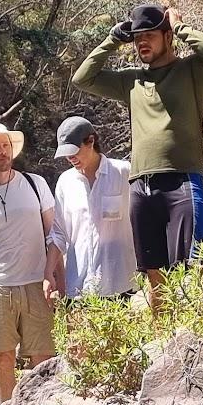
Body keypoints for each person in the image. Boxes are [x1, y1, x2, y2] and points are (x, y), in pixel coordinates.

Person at [70, 1, 203, 299]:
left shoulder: (191, 71)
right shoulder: (131, 80)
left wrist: (179, 26)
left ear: (167, 37)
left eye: (150, 35)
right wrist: (113, 38)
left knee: (201, 261)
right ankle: (166, 339)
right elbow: (82, 79)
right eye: (138, 37)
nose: (142, 41)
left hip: (182, 179)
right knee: (154, 273)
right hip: (141, 185)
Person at [0, 122, 64, 402]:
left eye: (6, 145)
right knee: (3, 358)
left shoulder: (35, 184)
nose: (3, 152)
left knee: (44, 358)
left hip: (35, 284)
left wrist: (58, 280)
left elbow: (55, 236)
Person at [49, 115, 136, 299]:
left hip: (120, 283)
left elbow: (142, 220)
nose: (70, 158)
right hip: (79, 286)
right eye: (66, 154)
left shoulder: (123, 172)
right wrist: (48, 273)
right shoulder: (65, 182)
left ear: (91, 141)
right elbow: (58, 233)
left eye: (74, 151)